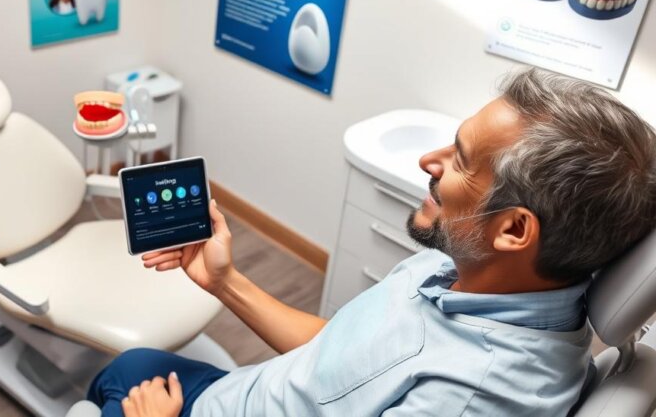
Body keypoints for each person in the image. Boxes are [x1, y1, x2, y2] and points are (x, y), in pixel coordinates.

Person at [89, 68, 656, 416]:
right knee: (129, 366)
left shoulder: (469, 397)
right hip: (248, 393)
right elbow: (339, 354)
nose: (428, 161)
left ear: (513, 230)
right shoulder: (462, 272)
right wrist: (223, 281)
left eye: (459, 160)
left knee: (119, 383)